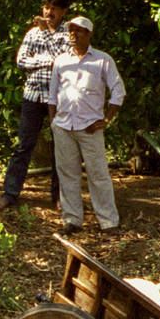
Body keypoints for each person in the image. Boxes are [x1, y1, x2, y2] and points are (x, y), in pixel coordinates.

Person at [50, 15, 125, 232]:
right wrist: (53, 121)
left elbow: (118, 92)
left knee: (98, 174)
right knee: (67, 174)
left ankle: (109, 221)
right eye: (70, 30)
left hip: (90, 127)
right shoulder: (61, 61)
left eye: (79, 31)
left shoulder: (102, 60)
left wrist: (107, 119)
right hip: (64, 126)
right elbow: (52, 95)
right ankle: (72, 220)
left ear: (89, 34)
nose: (73, 34)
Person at [2, 0, 70, 210]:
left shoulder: (69, 32)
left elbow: (64, 60)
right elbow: (21, 61)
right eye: (46, 8)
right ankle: (10, 194)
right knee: (23, 146)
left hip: (59, 99)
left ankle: (59, 197)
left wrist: (46, 35)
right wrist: (47, 61)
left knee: (61, 147)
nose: (48, 13)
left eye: (54, 9)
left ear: (63, 12)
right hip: (33, 96)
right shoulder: (31, 33)